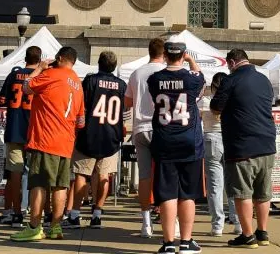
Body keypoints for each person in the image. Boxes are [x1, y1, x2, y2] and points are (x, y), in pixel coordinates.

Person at [10, 46, 86, 242]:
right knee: (60, 186)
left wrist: (40, 68)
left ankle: (34, 227)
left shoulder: (52, 73)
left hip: (45, 139)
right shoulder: (77, 82)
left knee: (38, 184)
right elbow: (81, 121)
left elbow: (26, 87)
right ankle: (55, 227)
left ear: (59, 58)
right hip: (66, 142)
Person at [210, 48, 278, 249]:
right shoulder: (264, 80)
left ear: (231, 63)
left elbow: (215, 107)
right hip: (266, 143)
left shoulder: (231, 81)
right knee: (263, 192)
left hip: (241, 145)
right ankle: (262, 232)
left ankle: (247, 235)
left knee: (242, 192)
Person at [148, 42, 205, 254]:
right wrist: (191, 61)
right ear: (182, 55)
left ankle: (169, 242)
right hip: (189, 140)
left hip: (164, 140)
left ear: (164, 55)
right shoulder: (191, 78)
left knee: (167, 193)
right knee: (187, 193)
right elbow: (201, 81)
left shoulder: (154, 79)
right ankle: (187, 241)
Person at [66, 51, 126, 230]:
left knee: (81, 175)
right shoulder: (121, 85)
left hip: (90, 134)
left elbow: (80, 106)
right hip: (111, 136)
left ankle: (75, 215)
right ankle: (97, 214)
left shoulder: (90, 81)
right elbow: (125, 112)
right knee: (104, 176)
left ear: (99, 64)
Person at [125, 37, 168, 238]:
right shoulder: (166, 73)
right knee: (167, 175)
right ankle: (171, 220)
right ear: (164, 53)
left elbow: (127, 102)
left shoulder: (137, 73)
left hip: (140, 127)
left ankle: (146, 223)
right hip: (162, 127)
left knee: (144, 177)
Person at [0, 46, 41, 227]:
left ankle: (15, 212)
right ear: (39, 60)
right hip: (34, 131)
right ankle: (36, 212)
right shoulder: (40, 76)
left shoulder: (13, 75)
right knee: (37, 175)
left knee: (14, 174)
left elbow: (1, 102)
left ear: (25, 58)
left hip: (14, 129)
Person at [198, 72, 240, 238]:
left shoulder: (206, 101)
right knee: (234, 184)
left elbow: (197, 116)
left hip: (211, 138)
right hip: (230, 138)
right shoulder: (233, 101)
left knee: (215, 186)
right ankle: (238, 222)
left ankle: (217, 225)